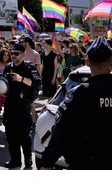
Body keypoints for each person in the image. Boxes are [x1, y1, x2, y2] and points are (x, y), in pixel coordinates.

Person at [40, 37, 112, 169]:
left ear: (87, 62)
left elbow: (60, 130)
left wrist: (46, 163)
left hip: (85, 164)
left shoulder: (79, 94)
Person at [2, 43, 41, 169]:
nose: (13, 56)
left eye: (16, 53)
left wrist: (21, 79)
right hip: (9, 105)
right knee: (11, 135)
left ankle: (28, 159)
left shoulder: (29, 67)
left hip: (23, 105)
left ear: (23, 54)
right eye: (12, 53)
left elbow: (36, 83)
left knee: (24, 135)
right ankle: (15, 160)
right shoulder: (8, 67)